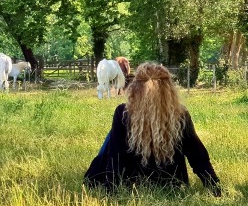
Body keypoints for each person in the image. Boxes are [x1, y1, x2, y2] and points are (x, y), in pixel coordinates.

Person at [84, 62, 221, 197]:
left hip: (132, 184)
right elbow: (196, 154)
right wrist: (215, 188)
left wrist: (111, 191)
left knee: (113, 137)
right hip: (172, 184)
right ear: (169, 90)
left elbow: (116, 156)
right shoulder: (180, 114)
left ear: (135, 88)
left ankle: (92, 176)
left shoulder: (123, 112)